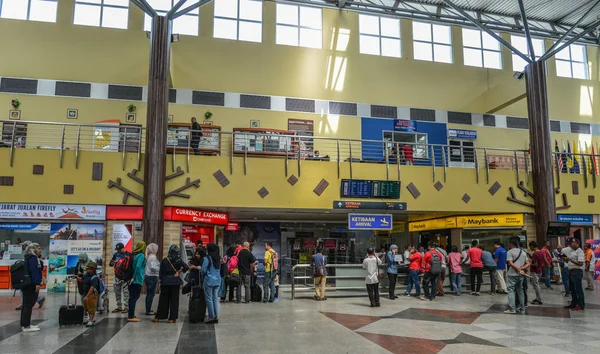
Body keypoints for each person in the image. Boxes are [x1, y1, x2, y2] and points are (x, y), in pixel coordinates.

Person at [153, 245, 189, 323]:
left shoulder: (164, 260)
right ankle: (172, 318)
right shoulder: (179, 260)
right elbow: (186, 267)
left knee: (163, 300)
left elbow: (161, 272)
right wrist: (179, 271)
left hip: (165, 282)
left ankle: (158, 317)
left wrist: (160, 281)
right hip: (175, 283)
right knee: (174, 300)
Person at [21, 243, 43, 332]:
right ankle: (26, 326)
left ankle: (25, 324)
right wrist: (37, 283)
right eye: (38, 248)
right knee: (29, 305)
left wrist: (40, 260)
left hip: (27, 285)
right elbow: (34, 272)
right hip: (31, 285)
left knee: (26, 305)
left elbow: (40, 268)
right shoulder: (33, 258)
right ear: (33, 249)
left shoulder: (29, 258)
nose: (40, 250)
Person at [504, 238, 529, 314]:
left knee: (511, 290)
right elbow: (528, 263)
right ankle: (522, 309)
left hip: (512, 274)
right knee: (520, 291)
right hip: (521, 274)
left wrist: (517, 268)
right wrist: (521, 268)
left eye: (509, 243)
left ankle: (512, 309)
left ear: (511, 244)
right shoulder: (523, 252)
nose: (508, 245)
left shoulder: (509, 252)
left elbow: (510, 263)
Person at [127, 241, 146, 322]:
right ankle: (131, 317)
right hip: (136, 280)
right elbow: (138, 267)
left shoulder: (135, 254)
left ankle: (131, 314)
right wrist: (134, 278)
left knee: (132, 298)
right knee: (134, 297)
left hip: (132, 279)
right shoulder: (141, 255)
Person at [202, 243, 221, 324]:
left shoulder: (207, 258)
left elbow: (203, 270)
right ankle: (216, 316)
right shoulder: (218, 258)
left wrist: (203, 276)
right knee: (215, 298)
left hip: (209, 280)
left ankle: (211, 317)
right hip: (217, 280)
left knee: (209, 299)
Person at [565, 237, 585, 311]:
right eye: (569, 244)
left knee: (578, 289)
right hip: (571, 271)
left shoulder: (580, 252)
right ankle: (574, 303)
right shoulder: (572, 251)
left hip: (577, 272)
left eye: (571, 243)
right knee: (572, 289)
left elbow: (580, 263)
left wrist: (570, 260)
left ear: (576, 243)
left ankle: (581, 305)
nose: (569, 245)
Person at [110, 243, 130, 313]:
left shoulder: (128, 254)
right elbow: (110, 264)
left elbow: (130, 266)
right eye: (117, 249)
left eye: (119, 249)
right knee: (117, 292)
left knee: (126, 292)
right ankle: (119, 307)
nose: (118, 251)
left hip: (125, 276)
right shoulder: (115, 255)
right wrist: (113, 262)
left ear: (123, 248)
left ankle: (126, 307)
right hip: (117, 276)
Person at [82, 262, 100, 327]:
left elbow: (92, 287)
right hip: (86, 293)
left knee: (91, 307)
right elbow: (83, 281)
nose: (87, 270)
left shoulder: (94, 277)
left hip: (91, 294)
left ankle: (91, 320)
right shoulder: (86, 275)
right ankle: (89, 319)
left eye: (88, 269)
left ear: (92, 269)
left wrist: (87, 296)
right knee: (87, 307)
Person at [145, 243, 160, 315]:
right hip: (152, 277)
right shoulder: (153, 257)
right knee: (151, 294)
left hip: (148, 276)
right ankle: (148, 310)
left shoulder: (149, 256)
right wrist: (160, 269)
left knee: (148, 294)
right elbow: (153, 267)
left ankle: (148, 309)